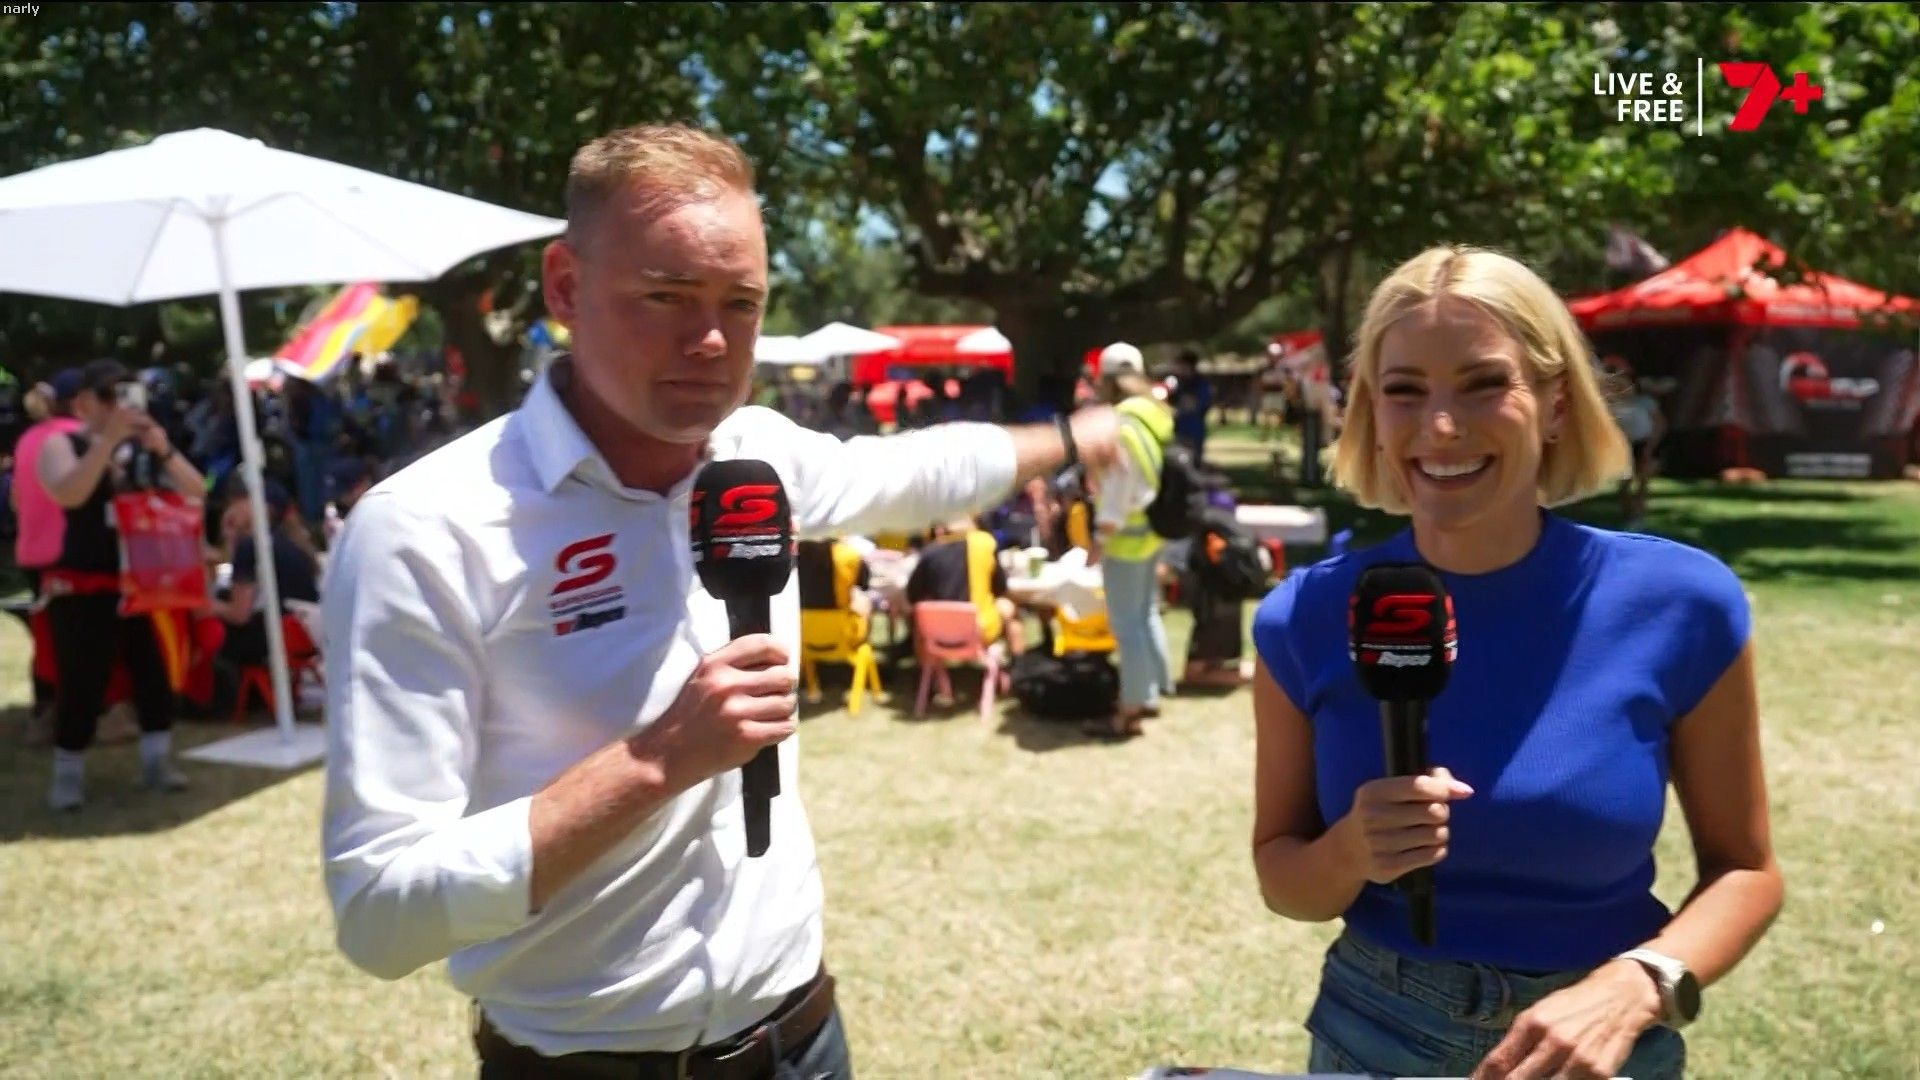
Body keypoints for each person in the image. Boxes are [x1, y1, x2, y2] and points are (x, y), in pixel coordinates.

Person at [318, 122, 1122, 1080]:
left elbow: (913, 472)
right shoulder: (426, 528)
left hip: (802, 1039)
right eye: (665, 296)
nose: (709, 342)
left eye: (740, 304)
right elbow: (379, 914)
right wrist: (655, 761)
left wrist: (1077, 436)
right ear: (565, 287)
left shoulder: (758, 457)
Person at [1249, 246, 1783, 1080]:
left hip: (1603, 1040)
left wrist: (1638, 984)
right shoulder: (1302, 616)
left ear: (1556, 402)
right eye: (1404, 391)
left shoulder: (1681, 602)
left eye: (1483, 384)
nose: (1441, 427)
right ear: (1370, 412)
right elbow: (1284, 879)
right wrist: (1351, 850)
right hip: (1375, 1034)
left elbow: (1747, 872)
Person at [36, 358, 207, 810]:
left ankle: (157, 761)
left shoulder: (145, 446)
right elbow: (68, 491)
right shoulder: (62, 444)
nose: (120, 405)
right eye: (110, 395)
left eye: (127, 394)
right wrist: (106, 444)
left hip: (146, 582)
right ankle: (68, 775)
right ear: (84, 403)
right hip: (85, 582)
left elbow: (196, 491)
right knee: (81, 682)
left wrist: (163, 450)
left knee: (155, 674)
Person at [1084, 341, 1175, 740]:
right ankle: (1154, 690)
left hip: (1124, 537)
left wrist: (1099, 537)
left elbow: (1118, 489)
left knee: (1127, 624)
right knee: (1145, 613)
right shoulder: (1153, 417)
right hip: (1150, 531)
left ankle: (1131, 708)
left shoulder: (1122, 425)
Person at [10, 372, 84, 725]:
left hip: (31, 552)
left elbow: (15, 499)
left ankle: (44, 706)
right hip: (67, 552)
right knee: (75, 637)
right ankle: (73, 707)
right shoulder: (78, 437)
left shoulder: (28, 438)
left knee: (46, 632)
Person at [210, 479, 321, 671]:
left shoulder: (252, 546)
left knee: (210, 630)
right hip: (303, 634)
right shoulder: (291, 544)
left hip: (276, 639)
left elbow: (239, 614)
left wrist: (203, 604)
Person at [905, 513, 1027, 664]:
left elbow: (913, 595)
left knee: (919, 613)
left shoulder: (930, 552)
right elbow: (1000, 588)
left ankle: (927, 672)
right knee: (1008, 607)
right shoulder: (985, 544)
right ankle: (1018, 664)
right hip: (979, 629)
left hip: (937, 633)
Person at [1604, 357, 1666, 531]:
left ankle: (1638, 515)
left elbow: (1660, 425)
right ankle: (1628, 514)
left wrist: (1650, 447)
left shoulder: (1644, 402)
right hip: (1624, 446)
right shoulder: (1612, 407)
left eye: (1624, 383)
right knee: (1624, 483)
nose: (1621, 387)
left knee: (1642, 481)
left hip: (1645, 443)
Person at [1169, 348, 1214, 464]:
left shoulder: (1200, 384)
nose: (1178, 368)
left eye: (1180, 365)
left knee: (1193, 463)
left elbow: (1196, 405)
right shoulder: (1175, 383)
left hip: (1193, 432)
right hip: (1176, 431)